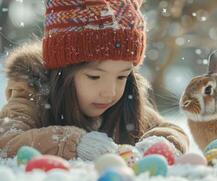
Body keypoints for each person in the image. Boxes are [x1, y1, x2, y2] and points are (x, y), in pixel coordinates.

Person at [0, 0, 189, 160]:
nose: (110, 91)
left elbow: (171, 130)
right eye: (94, 76)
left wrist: (161, 142)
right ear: (62, 73)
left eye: (122, 76)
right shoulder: (33, 96)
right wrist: (72, 142)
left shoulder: (125, 105)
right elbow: (6, 140)